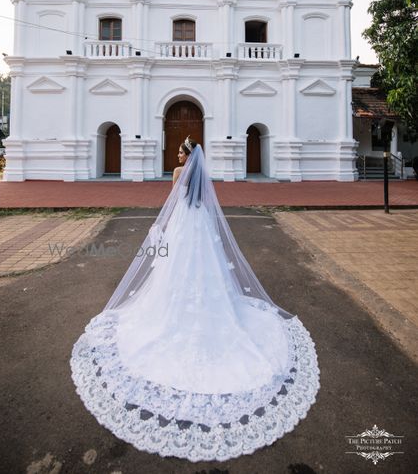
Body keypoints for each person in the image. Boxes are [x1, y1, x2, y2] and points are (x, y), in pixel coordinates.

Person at [70, 136, 320, 461]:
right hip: (199, 227)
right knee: (206, 269)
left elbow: (172, 203)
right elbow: (201, 203)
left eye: (180, 151)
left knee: (175, 273)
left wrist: (160, 231)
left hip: (181, 227)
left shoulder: (178, 172)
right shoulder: (204, 175)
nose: (177, 154)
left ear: (188, 156)